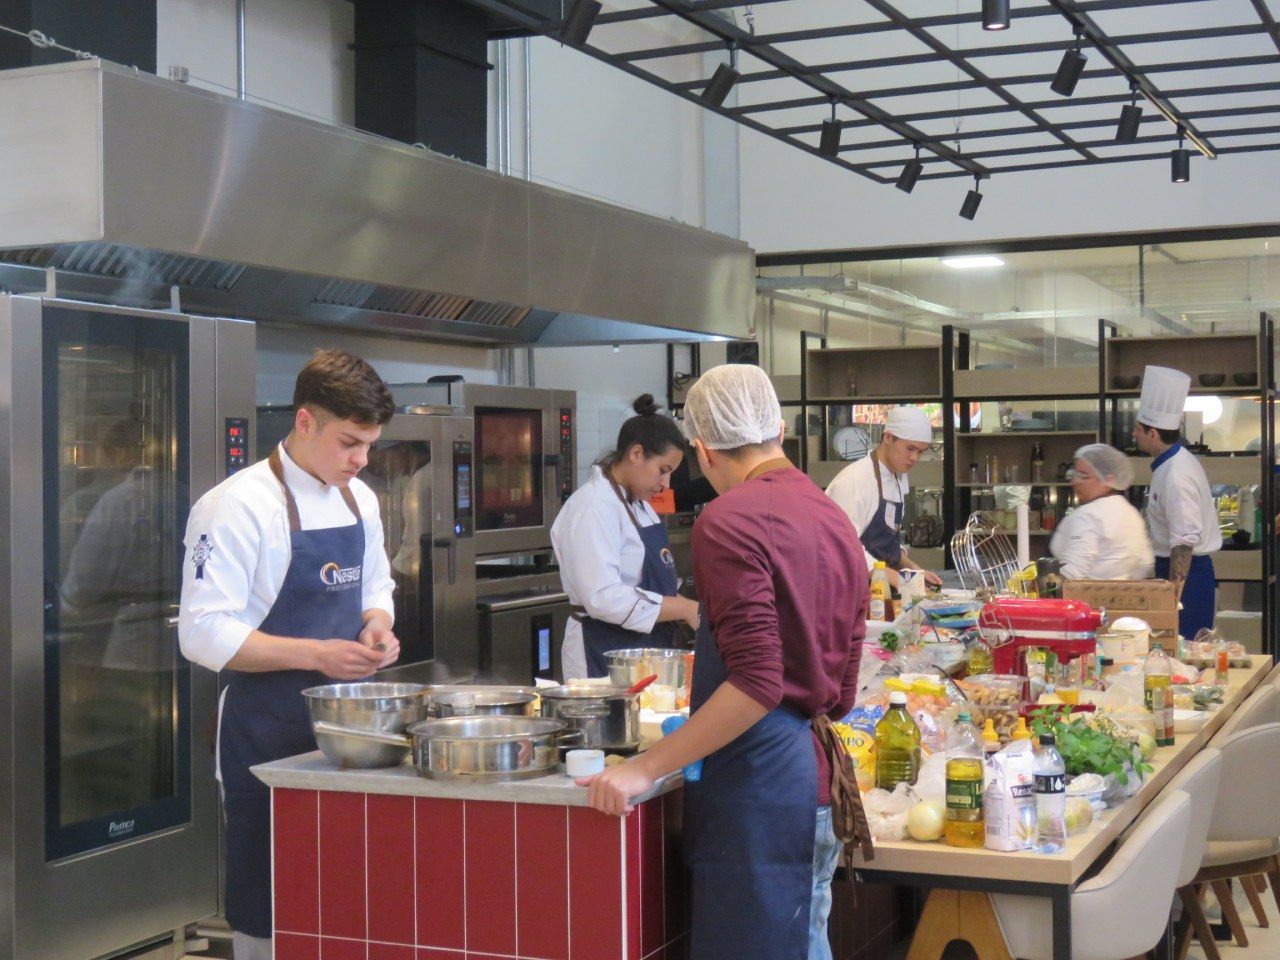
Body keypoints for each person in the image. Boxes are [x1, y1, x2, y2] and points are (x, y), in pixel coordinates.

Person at [577, 365, 872, 960]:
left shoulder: (729, 519)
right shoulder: (832, 515)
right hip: (816, 785)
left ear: (703, 450)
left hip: (760, 795)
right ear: (781, 429)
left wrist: (645, 768)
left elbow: (758, 682)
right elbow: (841, 690)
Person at [178, 349, 399, 960]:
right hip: (266, 732)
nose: (361, 460)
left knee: (347, 907)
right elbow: (201, 633)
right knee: (272, 909)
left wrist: (377, 625)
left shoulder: (360, 499)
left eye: (370, 445)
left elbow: (377, 585)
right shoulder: (236, 507)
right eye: (350, 442)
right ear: (304, 421)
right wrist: (316, 655)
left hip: (348, 736)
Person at [551, 394, 700, 680]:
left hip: (643, 650)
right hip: (602, 650)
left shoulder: (640, 505)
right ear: (635, 454)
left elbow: (649, 588)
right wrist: (683, 607)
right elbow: (603, 597)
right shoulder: (594, 506)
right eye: (663, 471)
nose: (665, 484)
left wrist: (687, 608)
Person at [1132, 365, 1221, 637]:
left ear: (1153, 434)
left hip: (1188, 578)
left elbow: (1184, 541)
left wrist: (1172, 596)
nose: (1134, 434)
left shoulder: (1176, 475)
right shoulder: (1170, 464)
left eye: (1138, 429)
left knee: (1183, 651)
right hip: (1175, 572)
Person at [825, 405, 942, 588]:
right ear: (887, 437)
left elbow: (887, 543)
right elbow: (843, 548)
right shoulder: (855, 481)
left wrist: (913, 571)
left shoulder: (897, 476)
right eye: (910, 448)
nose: (914, 458)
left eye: (920, 451)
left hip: (878, 590)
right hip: (849, 589)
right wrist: (900, 582)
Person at [1049, 443, 1155, 581]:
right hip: (1122, 599)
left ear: (1108, 480)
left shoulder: (1088, 515)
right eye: (1074, 474)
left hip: (1086, 599)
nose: (1074, 482)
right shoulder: (1132, 514)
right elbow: (1145, 564)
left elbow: (1072, 571)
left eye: (1084, 476)